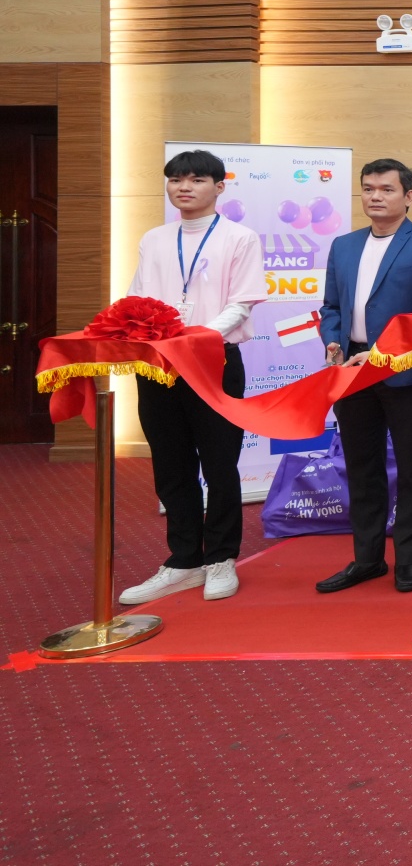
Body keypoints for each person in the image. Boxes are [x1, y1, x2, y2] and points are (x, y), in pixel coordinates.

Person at [119, 149, 267, 604]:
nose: (184, 187)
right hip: (158, 365)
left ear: (219, 187)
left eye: (197, 179)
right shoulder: (154, 238)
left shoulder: (240, 238)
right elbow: (137, 299)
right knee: (170, 461)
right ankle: (183, 559)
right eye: (176, 179)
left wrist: (194, 339)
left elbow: (241, 303)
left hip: (213, 362)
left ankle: (221, 557)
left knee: (219, 463)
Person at [316, 158, 412, 595]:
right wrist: (333, 343)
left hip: (405, 370)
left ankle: (409, 559)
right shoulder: (343, 245)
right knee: (361, 467)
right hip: (351, 371)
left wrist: (379, 355)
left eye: (387, 189)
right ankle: (368, 558)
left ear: (408, 197)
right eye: (369, 189)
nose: (376, 197)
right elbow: (331, 307)